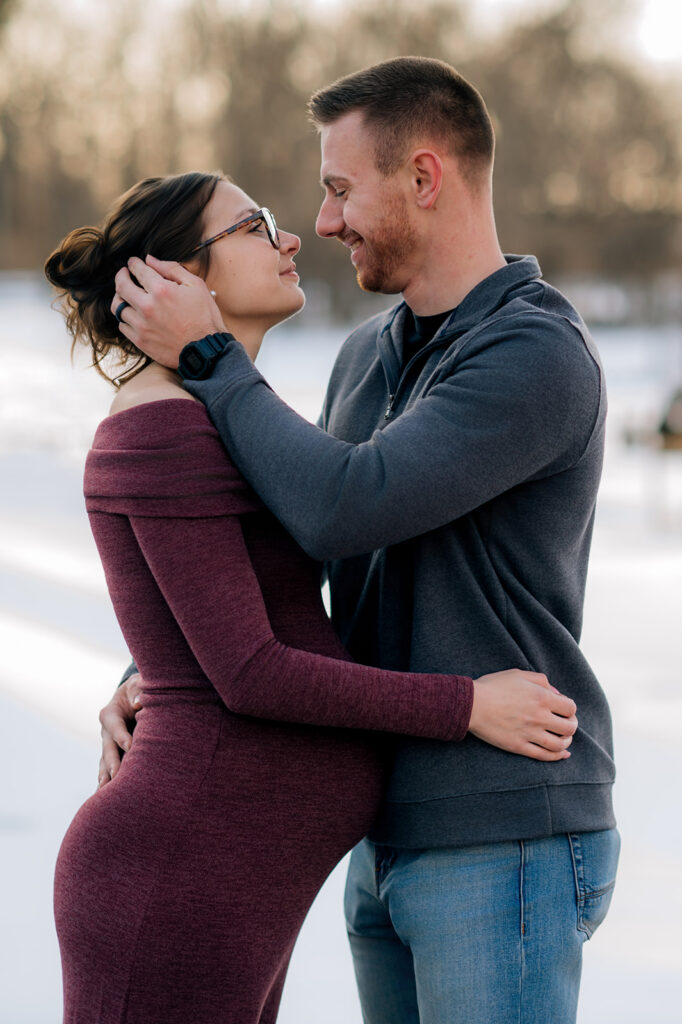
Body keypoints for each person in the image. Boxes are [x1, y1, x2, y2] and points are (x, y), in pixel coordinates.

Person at [103, 57, 621, 1023]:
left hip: (500, 833)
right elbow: (301, 556)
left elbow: (349, 503)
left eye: (342, 189)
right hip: (384, 834)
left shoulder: (533, 353)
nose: (326, 220)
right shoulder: (366, 356)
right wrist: (163, 666)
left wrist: (210, 356)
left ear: (425, 178)